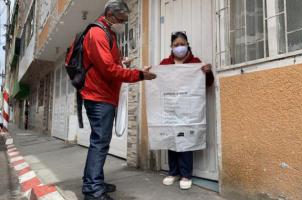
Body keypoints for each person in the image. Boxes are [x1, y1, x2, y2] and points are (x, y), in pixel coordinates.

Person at [81, 1, 156, 200]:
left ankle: (94, 181)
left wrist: (122, 63)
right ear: (110, 15)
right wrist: (138, 75)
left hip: (104, 96)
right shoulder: (97, 33)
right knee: (99, 143)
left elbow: (107, 64)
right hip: (99, 96)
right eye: (121, 19)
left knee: (100, 143)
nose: (122, 23)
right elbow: (108, 70)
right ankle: (93, 191)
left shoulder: (108, 32)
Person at [160, 31, 214, 190]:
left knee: (186, 141)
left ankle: (186, 174)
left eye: (182, 44)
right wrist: (150, 71)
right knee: (172, 140)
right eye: (176, 45)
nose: (179, 47)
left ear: (187, 44)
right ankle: (173, 172)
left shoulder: (196, 62)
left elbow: (208, 83)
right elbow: (156, 82)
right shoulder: (164, 64)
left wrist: (208, 72)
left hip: (188, 110)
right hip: (171, 108)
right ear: (171, 47)